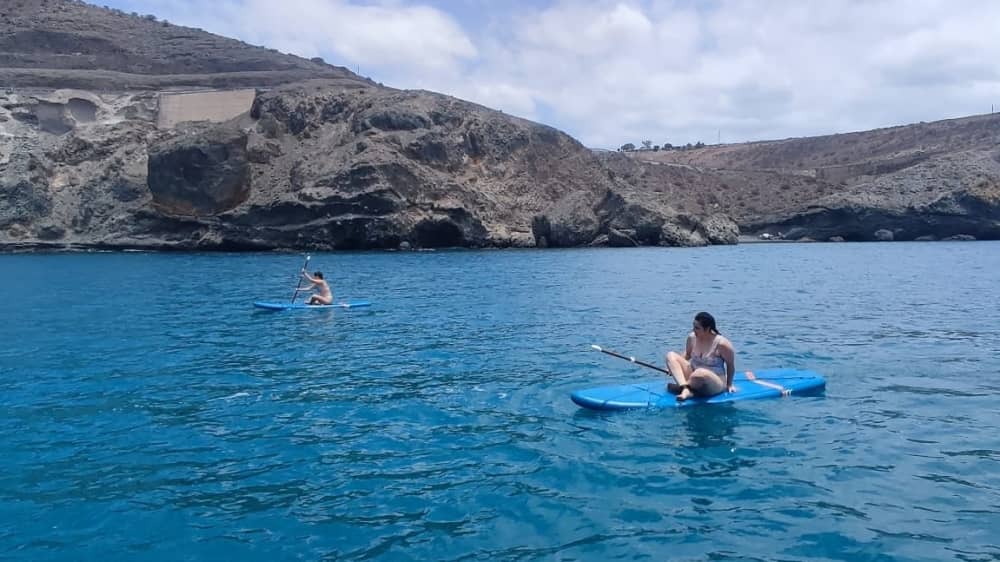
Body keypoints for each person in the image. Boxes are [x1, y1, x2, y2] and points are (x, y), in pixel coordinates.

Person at [665, 312, 736, 402]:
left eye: (697, 328)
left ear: (708, 329)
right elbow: (687, 355)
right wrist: (674, 368)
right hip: (693, 375)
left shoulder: (722, 344)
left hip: (715, 382)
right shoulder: (692, 338)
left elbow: (730, 365)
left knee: (700, 373)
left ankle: (683, 388)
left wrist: (729, 385)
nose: (693, 330)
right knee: (670, 355)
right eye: (693, 327)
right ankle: (685, 388)